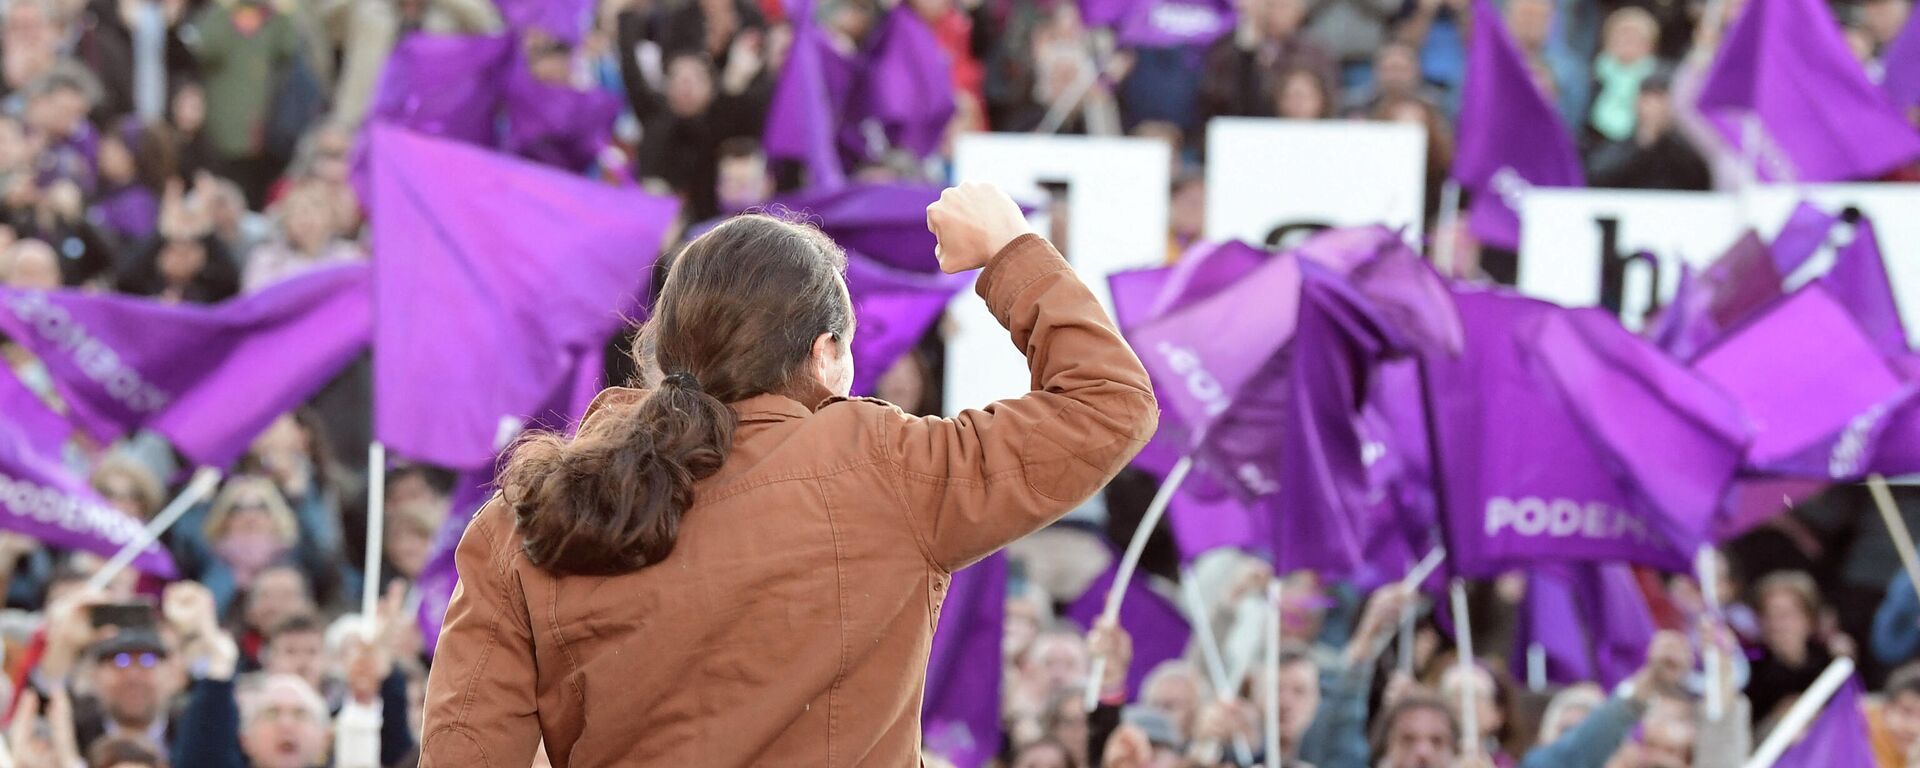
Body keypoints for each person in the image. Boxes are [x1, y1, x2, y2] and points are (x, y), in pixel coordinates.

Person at [419, 182, 1158, 764]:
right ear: (826, 354)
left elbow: (466, 751)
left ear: (663, 351)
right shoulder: (885, 466)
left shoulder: (531, 516)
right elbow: (1109, 403)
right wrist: (1012, 250)